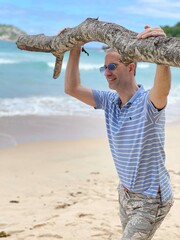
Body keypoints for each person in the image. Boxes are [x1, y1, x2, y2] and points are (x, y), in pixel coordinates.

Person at [63, 25, 173, 239]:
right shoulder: (110, 101)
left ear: (131, 67)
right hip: (125, 192)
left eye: (112, 66)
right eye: (104, 68)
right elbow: (71, 88)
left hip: (150, 199)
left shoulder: (148, 103)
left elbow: (163, 89)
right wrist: (75, 46)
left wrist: (161, 47)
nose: (107, 73)